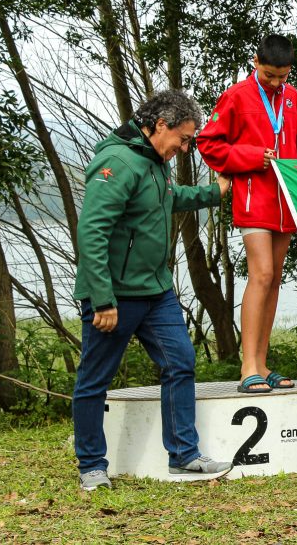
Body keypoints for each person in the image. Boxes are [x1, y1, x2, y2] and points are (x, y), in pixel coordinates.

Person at [72, 91, 233, 490]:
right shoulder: (118, 162)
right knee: (94, 380)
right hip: (115, 295)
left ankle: (184, 455)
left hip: (156, 290)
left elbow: (168, 199)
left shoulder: (155, 162)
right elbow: (92, 232)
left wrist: (213, 193)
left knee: (180, 362)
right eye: (183, 139)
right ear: (160, 125)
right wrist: (102, 299)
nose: (184, 148)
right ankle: (91, 466)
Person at [196, 34, 297, 394]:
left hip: (286, 201)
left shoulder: (293, 100)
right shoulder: (237, 96)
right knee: (261, 274)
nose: (276, 83)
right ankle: (247, 366)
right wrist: (249, 156)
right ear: (256, 62)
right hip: (253, 198)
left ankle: (262, 363)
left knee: (274, 279)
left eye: (283, 76)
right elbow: (208, 143)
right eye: (269, 76)